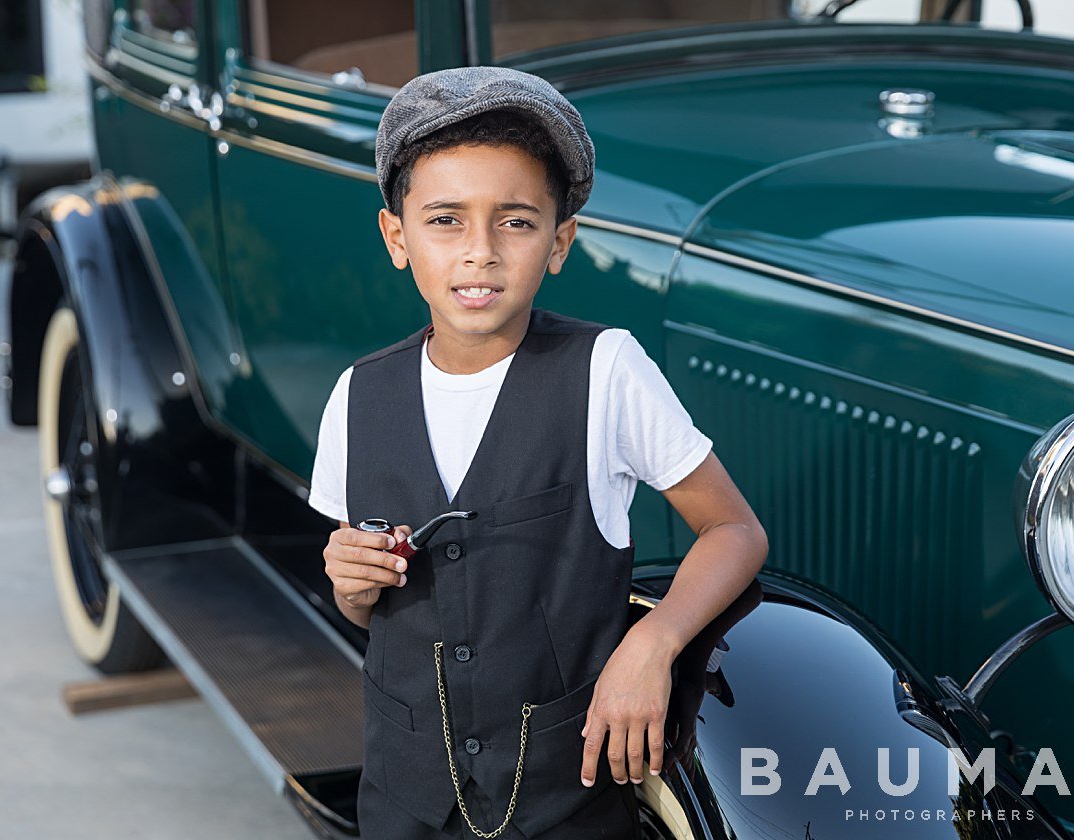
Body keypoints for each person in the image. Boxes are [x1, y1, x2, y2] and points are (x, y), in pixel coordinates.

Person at [309, 65, 767, 840]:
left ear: (560, 243)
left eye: (516, 222)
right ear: (398, 238)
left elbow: (735, 531)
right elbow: (363, 606)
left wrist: (652, 642)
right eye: (445, 220)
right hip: (405, 800)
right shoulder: (358, 395)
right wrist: (350, 582)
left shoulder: (607, 372)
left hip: (567, 802)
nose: (480, 252)